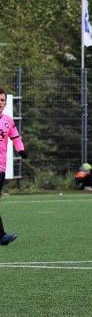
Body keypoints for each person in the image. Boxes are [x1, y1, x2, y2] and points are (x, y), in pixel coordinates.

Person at [0, 87, 26, 246]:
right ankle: (1, 236)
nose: (0, 103)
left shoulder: (8, 121)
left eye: (2, 100)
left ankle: (1, 236)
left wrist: (21, 150)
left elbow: (16, 138)